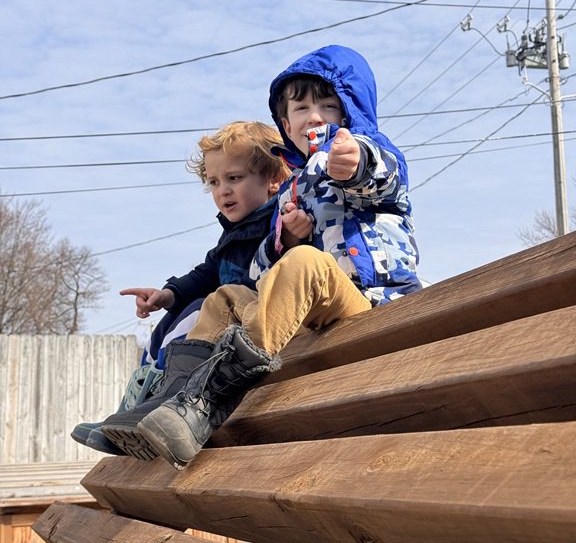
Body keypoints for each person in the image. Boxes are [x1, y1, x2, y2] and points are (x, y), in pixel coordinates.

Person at [101, 44, 422, 467]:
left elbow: (384, 179)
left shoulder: (370, 151)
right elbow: (260, 273)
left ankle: (208, 400)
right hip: (316, 313)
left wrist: (357, 160)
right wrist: (284, 241)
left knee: (307, 264)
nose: (315, 116)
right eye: (302, 108)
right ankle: (176, 402)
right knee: (227, 296)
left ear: (350, 112)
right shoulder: (292, 190)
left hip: (373, 303)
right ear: (286, 124)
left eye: (329, 105)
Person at [71, 120, 288, 455]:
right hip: (222, 322)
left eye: (234, 178)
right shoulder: (233, 234)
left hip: (247, 328)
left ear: (273, 179)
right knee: (171, 320)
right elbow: (205, 273)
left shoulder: (279, 223)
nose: (223, 191)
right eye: (214, 182)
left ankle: (157, 400)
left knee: (197, 310)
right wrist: (166, 295)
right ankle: (131, 408)